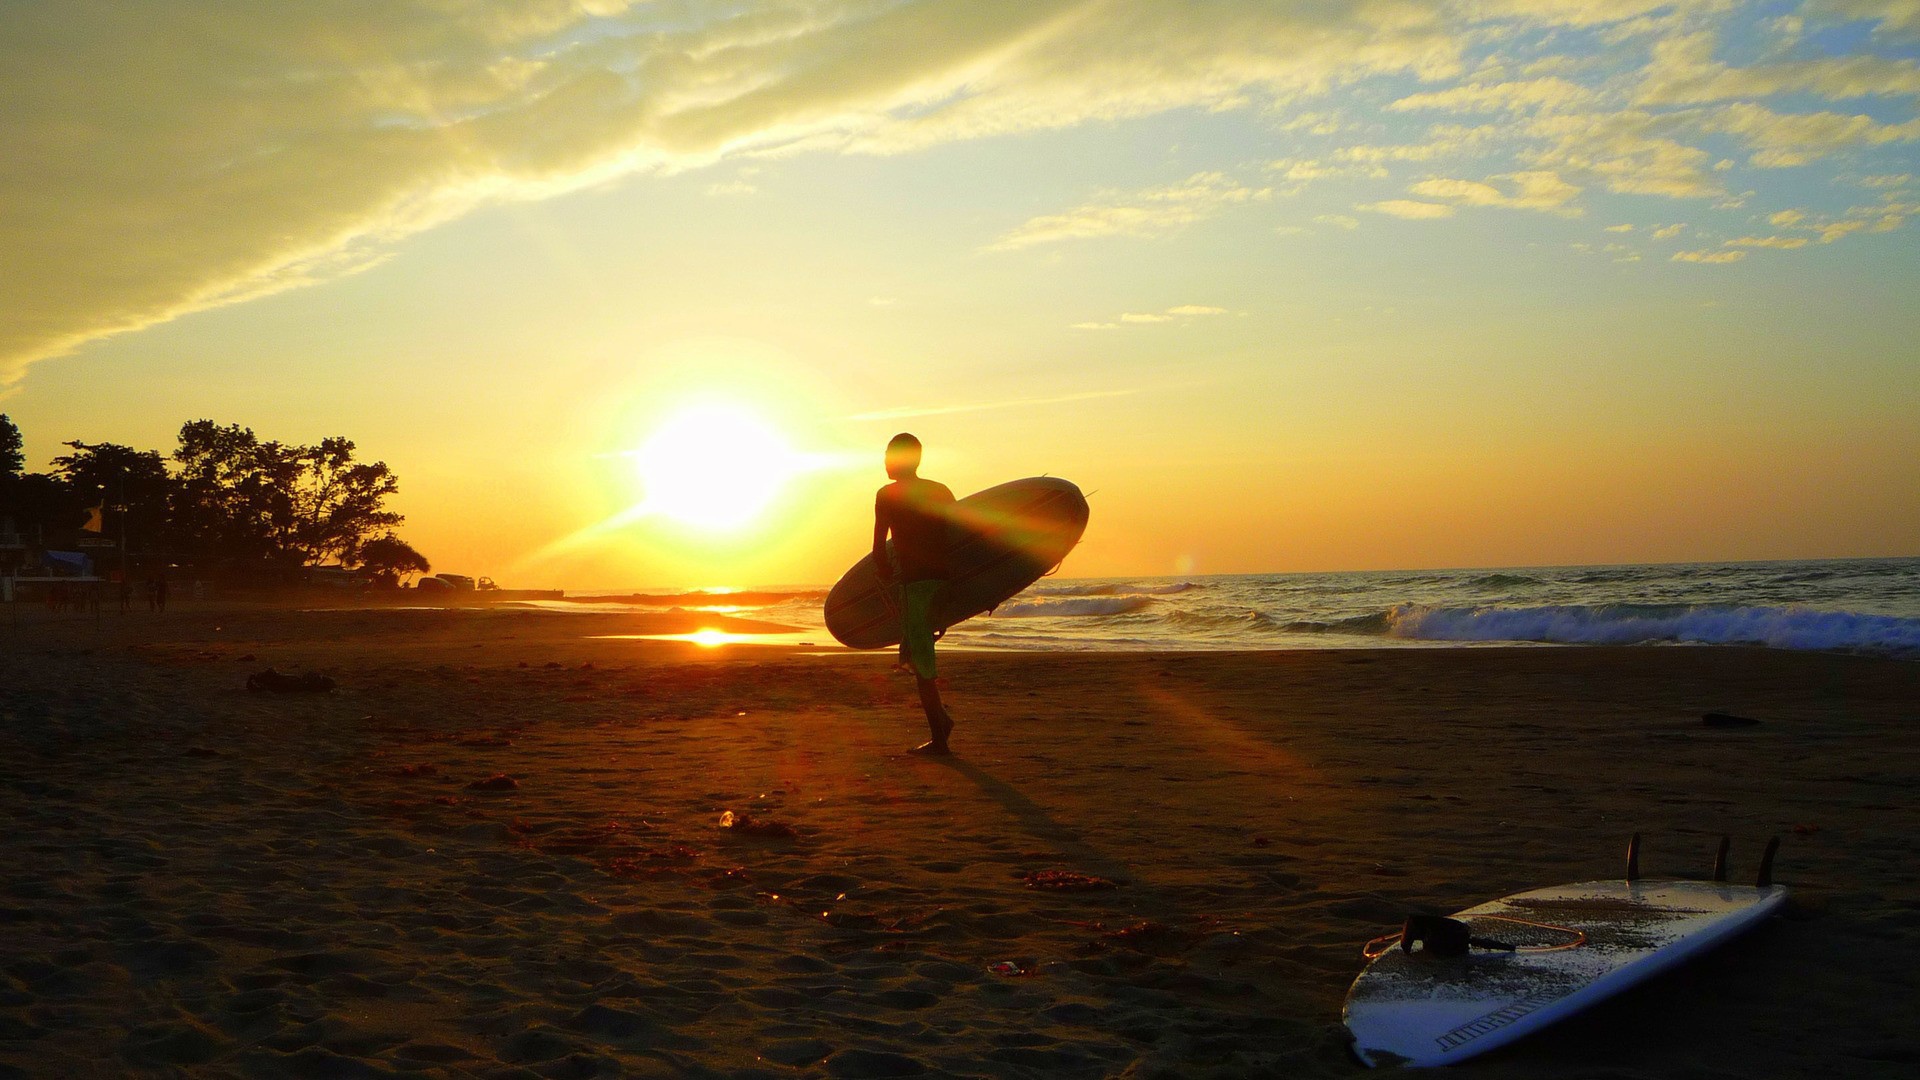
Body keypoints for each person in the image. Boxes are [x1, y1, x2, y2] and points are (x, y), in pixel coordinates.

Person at [872, 433, 957, 755]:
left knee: (921, 663)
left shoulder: (887, 495)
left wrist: (884, 576)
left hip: (916, 587)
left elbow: (880, 547)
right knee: (918, 655)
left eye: (888, 455)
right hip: (944, 583)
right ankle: (941, 723)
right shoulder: (940, 491)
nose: (884, 461)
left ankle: (940, 737)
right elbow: (959, 537)